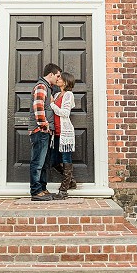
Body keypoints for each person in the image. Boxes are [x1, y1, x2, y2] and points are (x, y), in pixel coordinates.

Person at [29, 63, 61, 201]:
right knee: (37, 162)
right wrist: (44, 126)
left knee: (43, 162)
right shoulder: (41, 86)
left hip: (45, 131)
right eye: (57, 76)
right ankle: (36, 191)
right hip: (40, 131)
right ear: (51, 74)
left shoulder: (48, 88)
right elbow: (38, 107)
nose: (58, 79)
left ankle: (42, 188)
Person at [50, 72, 77, 200]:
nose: (58, 79)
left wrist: (52, 104)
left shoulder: (69, 95)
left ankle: (63, 190)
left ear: (65, 82)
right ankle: (70, 180)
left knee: (66, 159)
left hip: (65, 132)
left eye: (60, 78)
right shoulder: (56, 94)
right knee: (54, 161)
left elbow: (65, 113)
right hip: (55, 133)